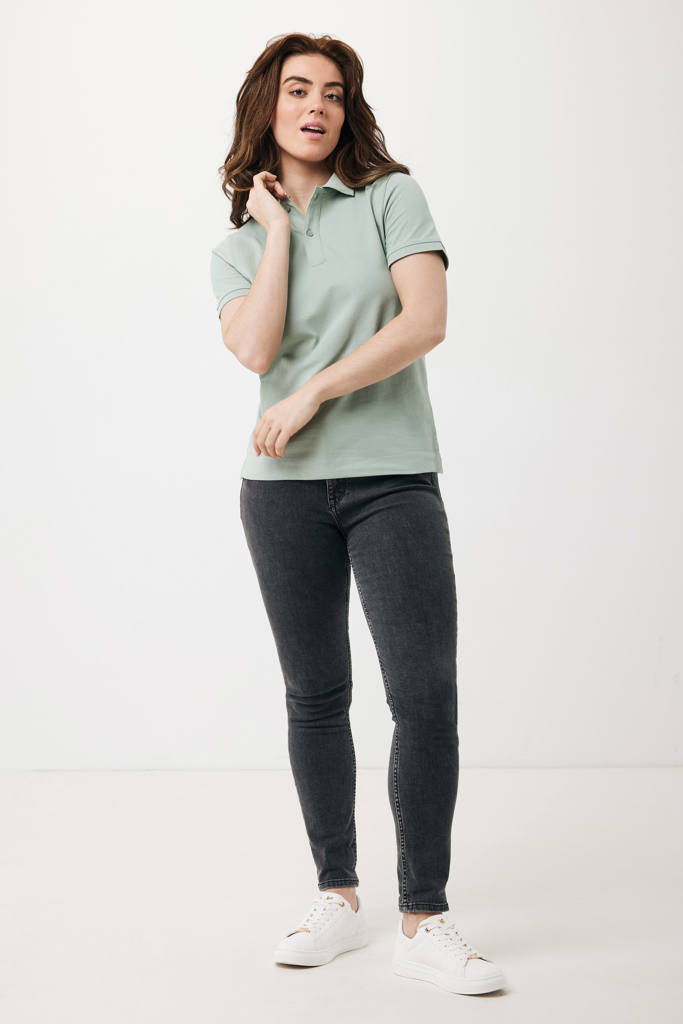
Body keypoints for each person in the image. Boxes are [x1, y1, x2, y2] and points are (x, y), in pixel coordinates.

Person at [210, 32, 506, 996]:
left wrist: (313, 394)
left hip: (390, 478)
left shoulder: (390, 197)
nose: (317, 106)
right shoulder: (237, 248)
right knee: (315, 697)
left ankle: (424, 916)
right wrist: (277, 230)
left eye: (334, 93)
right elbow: (257, 352)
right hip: (280, 494)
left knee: (423, 695)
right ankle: (336, 896)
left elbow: (425, 321)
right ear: (267, 106)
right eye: (298, 90)